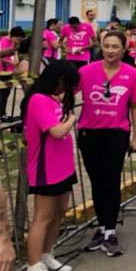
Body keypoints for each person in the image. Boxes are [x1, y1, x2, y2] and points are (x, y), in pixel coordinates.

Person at [77, 31, 136, 257]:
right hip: (89, 134)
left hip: (116, 134)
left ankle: (110, 231)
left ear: (124, 50)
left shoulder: (132, 74)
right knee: (96, 181)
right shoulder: (85, 71)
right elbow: (63, 92)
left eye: (116, 47)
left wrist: (135, 136)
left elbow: (135, 105)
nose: (111, 51)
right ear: (101, 47)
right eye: (107, 46)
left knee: (111, 181)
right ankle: (102, 227)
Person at [22, 61, 79, 271]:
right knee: (43, 217)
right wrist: (72, 119)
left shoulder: (54, 100)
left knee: (59, 213)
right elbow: (56, 131)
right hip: (46, 169)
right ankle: (34, 263)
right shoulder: (38, 100)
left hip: (64, 167)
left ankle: (47, 254)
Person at [0, 27, 24, 121]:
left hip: (9, 71)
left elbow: (15, 55)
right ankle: (1, 114)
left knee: (6, 93)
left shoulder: (13, 43)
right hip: (2, 70)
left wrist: (15, 60)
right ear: (13, 35)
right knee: (2, 93)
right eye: (17, 39)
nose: (18, 41)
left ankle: (3, 113)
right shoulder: (3, 41)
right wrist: (10, 62)